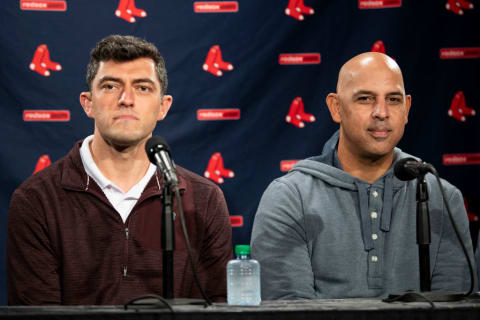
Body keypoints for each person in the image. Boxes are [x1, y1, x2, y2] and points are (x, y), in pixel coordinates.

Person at [7, 35, 233, 305]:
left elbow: (220, 308)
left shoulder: (205, 199)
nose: (127, 99)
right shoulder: (36, 200)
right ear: (88, 103)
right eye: (111, 86)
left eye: (143, 88)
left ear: (163, 107)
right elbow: (37, 314)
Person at [251, 52, 475, 300]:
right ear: (336, 108)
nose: (381, 112)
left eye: (393, 99)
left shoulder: (441, 197)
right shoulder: (290, 197)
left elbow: (453, 308)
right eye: (365, 99)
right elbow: (288, 310)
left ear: (407, 108)